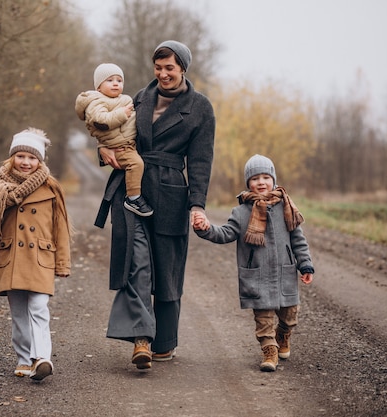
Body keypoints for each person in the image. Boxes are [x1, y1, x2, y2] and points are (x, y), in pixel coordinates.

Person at [94, 40, 215, 369]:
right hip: (130, 191)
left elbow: (201, 161)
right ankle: (141, 339)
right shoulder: (139, 98)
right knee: (136, 264)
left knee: (167, 268)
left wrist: (197, 205)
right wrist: (103, 153)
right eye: (158, 67)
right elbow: (113, 132)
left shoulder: (200, 107)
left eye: (169, 68)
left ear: (183, 69)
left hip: (172, 193)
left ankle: (163, 340)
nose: (163, 74)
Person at [192, 154, 315, 372]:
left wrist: (304, 264)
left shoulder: (286, 206)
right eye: (255, 178)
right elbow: (225, 233)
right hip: (257, 275)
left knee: (290, 314)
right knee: (264, 319)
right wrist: (206, 228)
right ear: (248, 182)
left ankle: (283, 335)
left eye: (266, 177)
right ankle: (269, 351)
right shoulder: (241, 213)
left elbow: (298, 240)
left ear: (273, 180)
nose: (261, 182)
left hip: (284, 273)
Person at [0, 127, 71, 381]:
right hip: (11, 257)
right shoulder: (0, 188)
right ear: (12, 157)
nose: (26, 162)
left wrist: (62, 262)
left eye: (32, 157)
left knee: (38, 307)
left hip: (40, 258)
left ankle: (42, 357)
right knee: (18, 314)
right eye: (21, 156)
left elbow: (61, 228)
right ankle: (24, 358)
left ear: (40, 161)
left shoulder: (51, 188)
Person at [75, 63, 153, 217]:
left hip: (128, 143)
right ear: (98, 86)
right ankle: (133, 198)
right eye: (110, 80)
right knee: (135, 164)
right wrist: (122, 114)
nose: (116, 83)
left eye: (119, 80)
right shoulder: (96, 101)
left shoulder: (122, 99)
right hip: (119, 147)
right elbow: (100, 121)